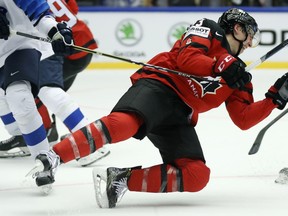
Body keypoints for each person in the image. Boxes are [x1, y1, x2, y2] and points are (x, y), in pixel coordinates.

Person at [49, 8, 288, 207]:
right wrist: (220, 64)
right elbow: (187, 59)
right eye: (250, 36)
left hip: (180, 113)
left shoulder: (238, 76)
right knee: (126, 123)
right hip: (160, 85)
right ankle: (54, 156)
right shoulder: (209, 29)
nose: (249, 44)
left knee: (197, 175)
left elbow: (243, 119)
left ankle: (120, 179)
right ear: (237, 28)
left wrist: (274, 98)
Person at [0, 0, 110, 166]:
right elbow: (73, 7)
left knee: (46, 89)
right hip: (77, 39)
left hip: (52, 42)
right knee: (27, 89)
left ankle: (90, 141)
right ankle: (34, 133)